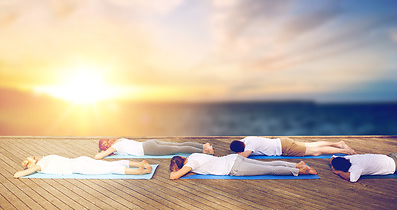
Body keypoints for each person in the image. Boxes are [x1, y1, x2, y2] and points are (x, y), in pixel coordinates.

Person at [169, 153, 317, 180]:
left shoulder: (190, 164)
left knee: (269, 170)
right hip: (233, 158)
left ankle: (300, 171)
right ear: (183, 157)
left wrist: (175, 171)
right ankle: (297, 164)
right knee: (268, 164)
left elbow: (174, 176)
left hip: (234, 168)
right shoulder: (193, 156)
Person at [14, 155, 152, 178]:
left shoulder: (40, 165)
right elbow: (32, 165)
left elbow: (19, 174)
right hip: (80, 160)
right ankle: (139, 164)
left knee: (108, 169)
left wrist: (22, 171)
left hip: (79, 167)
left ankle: (138, 172)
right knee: (109, 164)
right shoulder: (46, 158)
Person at [230, 136, 356, 158]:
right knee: (311, 145)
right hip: (283, 142)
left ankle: (345, 150)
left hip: (285, 148)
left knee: (316, 152)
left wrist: (235, 154)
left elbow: (242, 157)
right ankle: (338, 144)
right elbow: (238, 144)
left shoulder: (249, 146)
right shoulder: (246, 140)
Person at [95, 138, 214, 159]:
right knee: (178, 145)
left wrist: (103, 152)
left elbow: (99, 157)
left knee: (177, 149)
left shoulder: (115, 147)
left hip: (148, 149)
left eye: (105, 146)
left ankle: (205, 152)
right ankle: (204, 146)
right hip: (149, 143)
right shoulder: (120, 140)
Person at [330, 153, 397, 182]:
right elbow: (332, 158)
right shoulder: (349, 158)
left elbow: (352, 178)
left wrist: (338, 172)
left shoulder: (356, 167)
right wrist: (333, 166)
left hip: (395, 165)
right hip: (391, 156)